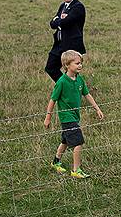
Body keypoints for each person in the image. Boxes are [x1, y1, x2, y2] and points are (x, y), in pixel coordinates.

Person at [43, 50, 104, 178]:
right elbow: (53, 99)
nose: (80, 65)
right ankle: (76, 170)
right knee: (78, 142)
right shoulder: (61, 82)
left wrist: (97, 108)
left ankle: (56, 161)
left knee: (65, 140)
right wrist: (48, 117)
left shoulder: (79, 80)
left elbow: (87, 94)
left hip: (75, 116)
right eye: (77, 63)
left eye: (81, 63)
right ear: (67, 65)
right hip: (66, 117)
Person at [45, 0, 86, 82]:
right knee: (50, 68)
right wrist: (60, 20)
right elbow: (52, 24)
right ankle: (65, 87)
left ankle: (74, 92)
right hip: (59, 44)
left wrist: (59, 20)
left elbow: (66, 22)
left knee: (72, 71)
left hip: (71, 45)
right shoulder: (63, 6)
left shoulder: (78, 7)